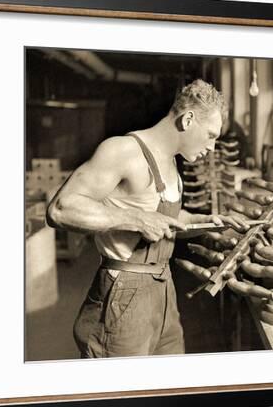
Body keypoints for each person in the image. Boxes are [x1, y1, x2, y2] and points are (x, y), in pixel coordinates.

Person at [47, 79, 248, 358]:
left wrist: (207, 220)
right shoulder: (123, 150)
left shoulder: (171, 161)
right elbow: (61, 208)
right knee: (122, 395)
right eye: (211, 135)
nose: (212, 147)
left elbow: (166, 219)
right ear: (188, 119)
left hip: (163, 288)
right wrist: (137, 219)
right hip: (124, 294)